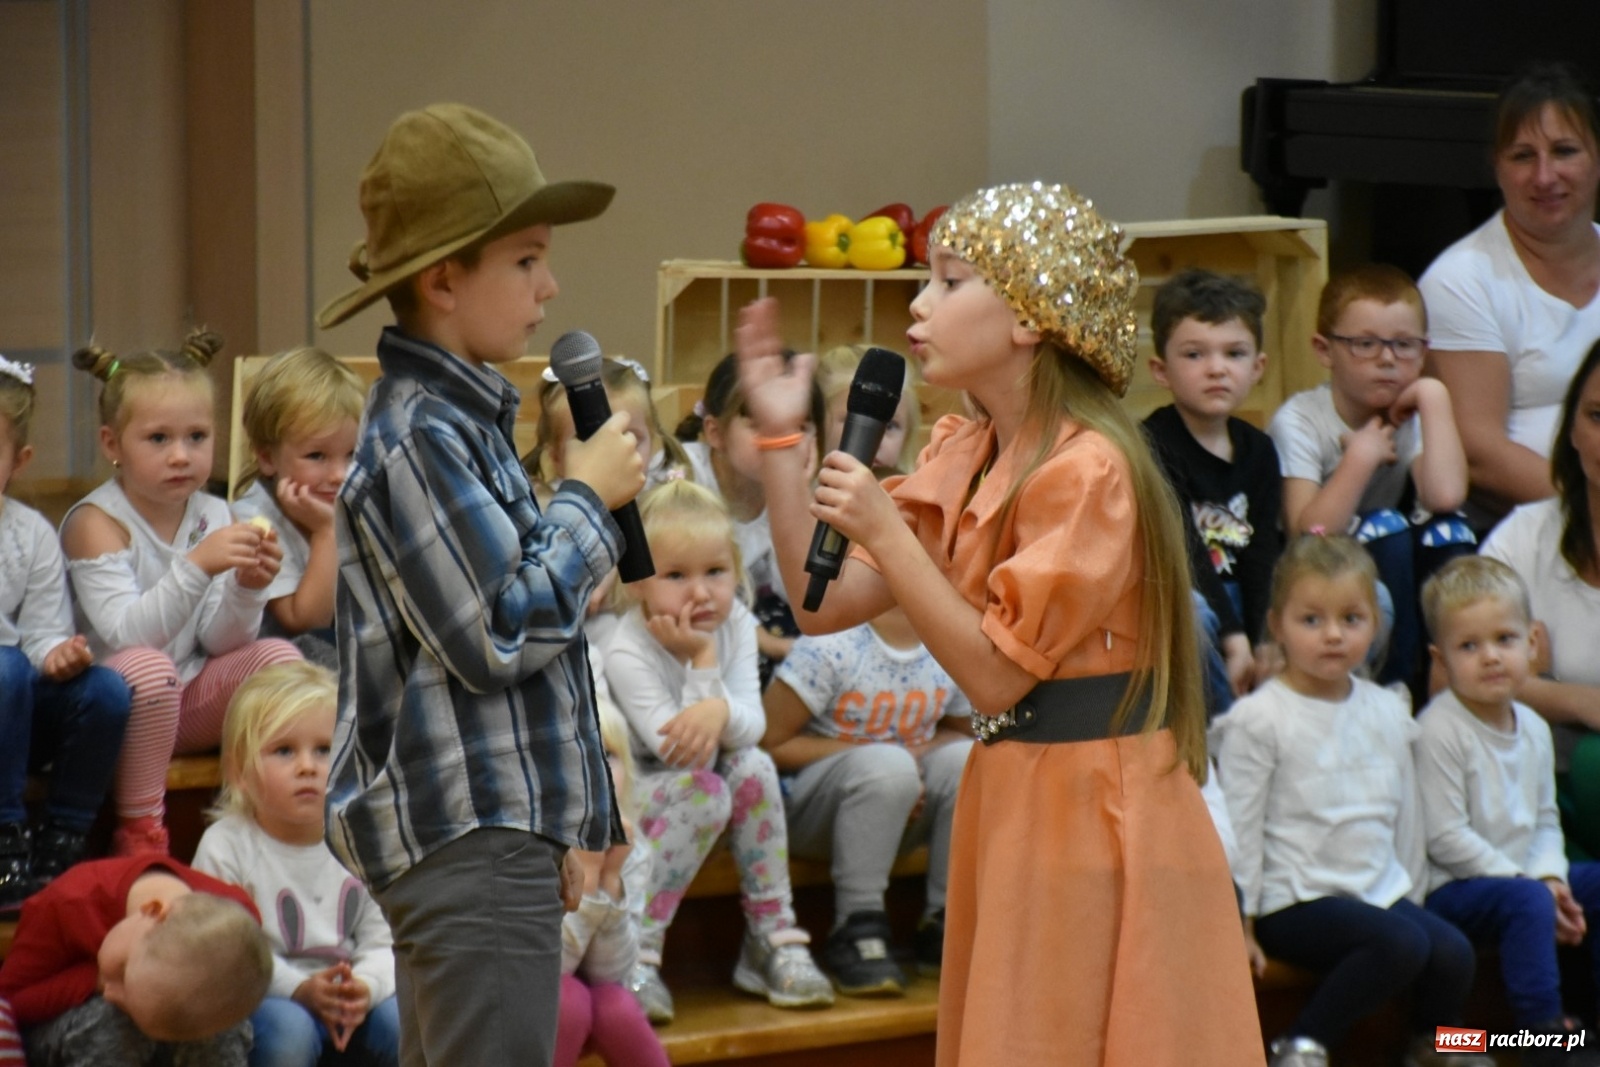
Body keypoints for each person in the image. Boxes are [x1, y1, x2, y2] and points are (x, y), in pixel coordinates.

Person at [736, 182, 1263, 1065]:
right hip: (1014, 787)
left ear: (1028, 319)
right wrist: (785, 444)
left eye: (949, 281)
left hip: (1098, 807)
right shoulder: (966, 447)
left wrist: (881, 531)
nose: (919, 303)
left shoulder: (1089, 470)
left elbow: (993, 674)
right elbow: (819, 604)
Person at [317, 103, 642, 1067]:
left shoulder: (460, 422)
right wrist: (586, 498)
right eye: (527, 259)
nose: (552, 286)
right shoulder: (421, 436)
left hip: (496, 836)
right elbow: (496, 636)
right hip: (468, 840)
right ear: (444, 278)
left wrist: (585, 818)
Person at [1216, 534, 1486, 1067]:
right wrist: (1241, 922)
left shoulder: (1386, 710)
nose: (1333, 635)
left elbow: (1404, 816)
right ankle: (1300, 1043)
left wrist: (1410, 890)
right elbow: (1239, 824)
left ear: (1375, 624)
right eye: (1311, 620)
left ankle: (1441, 1047)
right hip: (1291, 899)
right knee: (1400, 944)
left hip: (1374, 890)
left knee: (1452, 950)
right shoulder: (1260, 719)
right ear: (1277, 626)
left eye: (1351, 619)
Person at [60, 331, 301, 856]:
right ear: (111, 445)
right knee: (150, 668)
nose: (181, 456)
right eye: (158, 439)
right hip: (117, 710)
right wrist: (198, 564)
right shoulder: (96, 521)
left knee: (280, 656)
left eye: (197, 437)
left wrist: (247, 587)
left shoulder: (214, 512)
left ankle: (259, 813)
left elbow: (220, 641)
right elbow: (126, 634)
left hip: (184, 698)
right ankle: (139, 827)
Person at [602, 479, 832, 1017]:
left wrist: (720, 707)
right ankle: (637, 952)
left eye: (715, 572)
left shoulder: (736, 625)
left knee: (752, 766)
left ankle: (770, 938)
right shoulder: (624, 647)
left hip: (700, 778)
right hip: (636, 793)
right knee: (704, 790)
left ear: (736, 570)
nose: (701, 593)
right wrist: (704, 667)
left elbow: (749, 728)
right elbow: (685, 753)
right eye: (676, 576)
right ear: (637, 583)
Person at [1416, 556, 1600, 1062]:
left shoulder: (1535, 727)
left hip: (1524, 881)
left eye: (1505, 639)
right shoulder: (1440, 730)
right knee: (1530, 904)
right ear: (1441, 660)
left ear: (1532, 644)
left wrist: (1552, 878)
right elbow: (1445, 838)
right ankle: (1541, 1035)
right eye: (1469, 646)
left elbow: (1545, 820)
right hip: (1455, 887)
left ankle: (1591, 1023)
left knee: (1592, 884)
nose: (1491, 657)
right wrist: (1530, 883)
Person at [761, 568, 973, 997]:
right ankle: (857, 927)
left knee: (967, 760)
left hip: (898, 804)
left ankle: (944, 923)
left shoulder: (948, 635)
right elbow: (768, 742)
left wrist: (909, 757)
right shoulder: (832, 641)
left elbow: (962, 730)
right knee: (887, 764)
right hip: (810, 813)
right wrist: (886, 757)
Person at [1268, 264, 1473, 692]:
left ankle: (1451, 677)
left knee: (1449, 532)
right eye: (1365, 344)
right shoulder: (1300, 420)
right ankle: (1393, 684)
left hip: (1390, 566)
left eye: (1404, 345)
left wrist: (1434, 396)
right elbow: (1309, 531)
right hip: (1323, 574)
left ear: (1424, 351)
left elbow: (1445, 495)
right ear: (1324, 350)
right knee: (1387, 527)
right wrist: (1359, 458)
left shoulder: (1416, 413)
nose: (1387, 359)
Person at [1420, 61, 1600, 526]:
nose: (1545, 177)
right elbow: (1478, 453)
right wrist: (1591, 508)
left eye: (1564, 151)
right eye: (1523, 156)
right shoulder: (1461, 280)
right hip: (1523, 532)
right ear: (1497, 167)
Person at [192, 662, 398, 1067]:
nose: (308, 766)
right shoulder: (226, 846)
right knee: (290, 1036)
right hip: (265, 992)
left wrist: (365, 988)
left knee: (403, 1024)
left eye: (324, 749)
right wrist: (300, 987)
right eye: (284, 751)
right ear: (240, 773)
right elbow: (224, 956)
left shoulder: (365, 837)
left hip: (349, 990)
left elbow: (388, 940)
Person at [0, 354, 131, 909]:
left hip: (17, 707)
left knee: (106, 691)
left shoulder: (29, 533)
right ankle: (5, 835)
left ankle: (63, 843)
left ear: (19, 459)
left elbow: (42, 632)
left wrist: (60, 654)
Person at [1480, 338, 1600, 857]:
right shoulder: (1522, 537)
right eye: (1597, 416)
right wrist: (1575, 700)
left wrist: (1524, 683)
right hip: (1538, 781)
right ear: (1571, 428)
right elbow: (1446, 677)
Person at [1143, 268, 1283, 692]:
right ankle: (1219, 739)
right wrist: (1235, 638)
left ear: (1258, 367)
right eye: (1194, 354)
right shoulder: (1151, 445)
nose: (1216, 369)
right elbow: (1184, 554)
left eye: (1234, 354)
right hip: (1183, 607)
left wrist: (1262, 638)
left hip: (1244, 607)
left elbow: (1262, 554)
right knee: (1194, 612)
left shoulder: (1259, 450)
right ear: (1160, 369)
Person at [0, 854, 272, 1067]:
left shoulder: (237, 923)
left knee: (221, 1028)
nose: (111, 991)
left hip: (173, 1033)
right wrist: (95, 979)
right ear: (152, 911)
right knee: (112, 1018)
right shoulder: (69, 903)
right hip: (69, 1033)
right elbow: (11, 1000)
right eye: (119, 973)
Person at [676, 353, 825, 686]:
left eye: (799, 427)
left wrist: (798, 497)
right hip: (681, 621)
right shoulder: (681, 473)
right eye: (761, 423)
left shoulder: (806, 492)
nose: (782, 439)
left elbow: (805, 601)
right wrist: (767, 642)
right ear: (715, 433)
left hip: (746, 627)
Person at [235, 347, 366, 671]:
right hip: (282, 665)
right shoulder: (254, 521)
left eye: (352, 454)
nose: (340, 475)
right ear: (267, 458)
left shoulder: (357, 500)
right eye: (317, 456)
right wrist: (326, 533)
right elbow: (304, 622)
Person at [555, 702, 669, 1067]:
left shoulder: (632, 851)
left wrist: (608, 878)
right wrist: (586, 879)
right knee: (569, 999)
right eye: (581, 754)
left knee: (616, 1006)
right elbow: (549, 970)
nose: (599, 770)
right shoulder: (535, 847)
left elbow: (612, 973)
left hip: (593, 993)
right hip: (531, 995)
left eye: (609, 754)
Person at [525, 355, 689, 496]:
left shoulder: (661, 505)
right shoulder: (550, 515)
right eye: (589, 441)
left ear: (652, 443)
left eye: (629, 437)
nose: (614, 455)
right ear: (556, 458)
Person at [816, 344, 920, 472]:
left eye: (889, 426)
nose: (875, 441)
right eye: (852, 421)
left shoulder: (912, 491)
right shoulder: (798, 490)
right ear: (818, 426)